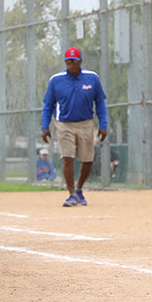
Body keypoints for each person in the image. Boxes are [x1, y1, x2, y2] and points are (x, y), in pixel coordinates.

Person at [41, 47, 108, 207]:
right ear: (65, 62)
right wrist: (45, 126)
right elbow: (48, 105)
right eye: (68, 61)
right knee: (67, 159)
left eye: (74, 61)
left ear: (80, 61)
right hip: (64, 124)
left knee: (87, 160)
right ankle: (71, 194)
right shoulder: (56, 80)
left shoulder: (92, 78)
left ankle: (79, 189)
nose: (71, 64)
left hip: (86, 123)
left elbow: (99, 103)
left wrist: (103, 124)